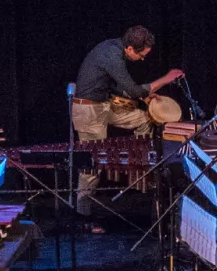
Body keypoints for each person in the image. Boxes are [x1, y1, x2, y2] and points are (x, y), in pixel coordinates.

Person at [71, 25, 184, 231]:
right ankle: (82, 215)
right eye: (141, 55)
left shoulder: (116, 47)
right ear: (131, 48)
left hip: (104, 105)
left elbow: (116, 85)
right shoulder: (112, 55)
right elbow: (131, 89)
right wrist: (165, 79)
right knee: (92, 164)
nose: (142, 59)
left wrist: (146, 95)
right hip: (88, 112)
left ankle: (138, 165)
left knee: (144, 118)